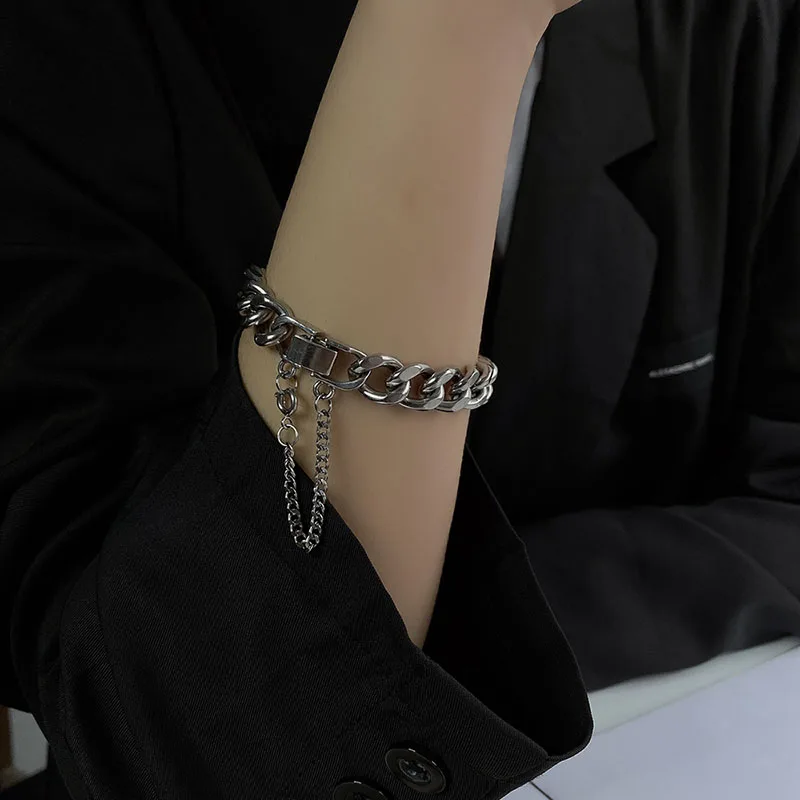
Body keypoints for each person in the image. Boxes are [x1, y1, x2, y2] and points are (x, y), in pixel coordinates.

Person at [1, 0, 798, 798]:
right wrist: (454, 24)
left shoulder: (735, 34)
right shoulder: (66, 56)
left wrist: (469, 633)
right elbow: (167, 734)